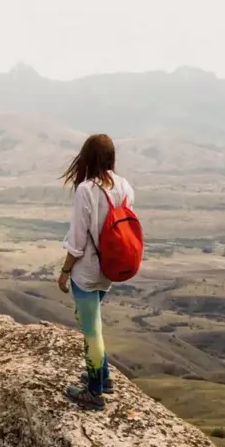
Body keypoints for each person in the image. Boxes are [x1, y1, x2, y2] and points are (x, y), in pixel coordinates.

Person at [57, 133, 135, 411]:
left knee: (92, 330)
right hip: (110, 268)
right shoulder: (125, 186)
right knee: (93, 321)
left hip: (87, 270)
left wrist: (65, 271)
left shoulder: (86, 190)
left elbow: (78, 240)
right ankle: (103, 377)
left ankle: (94, 392)